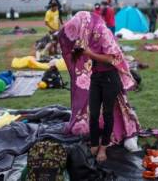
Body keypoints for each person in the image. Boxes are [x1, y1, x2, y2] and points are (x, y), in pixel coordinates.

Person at [59, 11, 140, 162]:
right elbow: (76, 48)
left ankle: (103, 147)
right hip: (96, 77)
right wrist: (78, 55)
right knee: (94, 113)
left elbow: (111, 58)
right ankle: (95, 144)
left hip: (110, 78)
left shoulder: (104, 31)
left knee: (108, 114)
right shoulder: (86, 34)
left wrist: (89, 53)